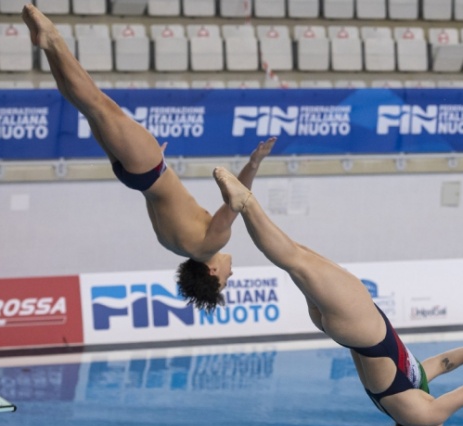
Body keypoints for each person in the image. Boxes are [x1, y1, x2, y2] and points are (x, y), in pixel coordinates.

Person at [210, 166, 463, 426]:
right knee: (296, 253)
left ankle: (244, 203)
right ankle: (244, 201)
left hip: (359, 327)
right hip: (348, 327)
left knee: (294, 258)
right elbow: (444, 364)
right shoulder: (413, 393)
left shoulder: (421, 413)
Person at [21, 4, 275, 311]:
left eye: (225, 279)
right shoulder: (174, 245)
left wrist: (254, 163)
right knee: (86, 105)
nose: (231, 273)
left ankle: (53, 39)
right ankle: (48, 47)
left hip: (150, 169)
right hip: (135, 175)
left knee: (96, 102)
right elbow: (165, 203)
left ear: (210, 271)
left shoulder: (213, 244)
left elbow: (237, 200)